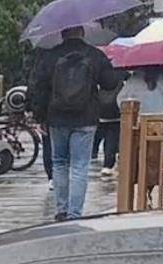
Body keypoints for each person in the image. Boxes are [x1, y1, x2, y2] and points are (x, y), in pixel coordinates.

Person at [28, 26, 122, 221]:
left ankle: (61, 210)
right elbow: (111, 83)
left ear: (62, 34)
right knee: (80, 166)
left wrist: (40, 117)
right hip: (86, 118)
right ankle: (75, 213)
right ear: (83, 33)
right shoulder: (95, 55)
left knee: (60, 163)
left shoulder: (50, 56)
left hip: (57, 118)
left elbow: (38, 87)